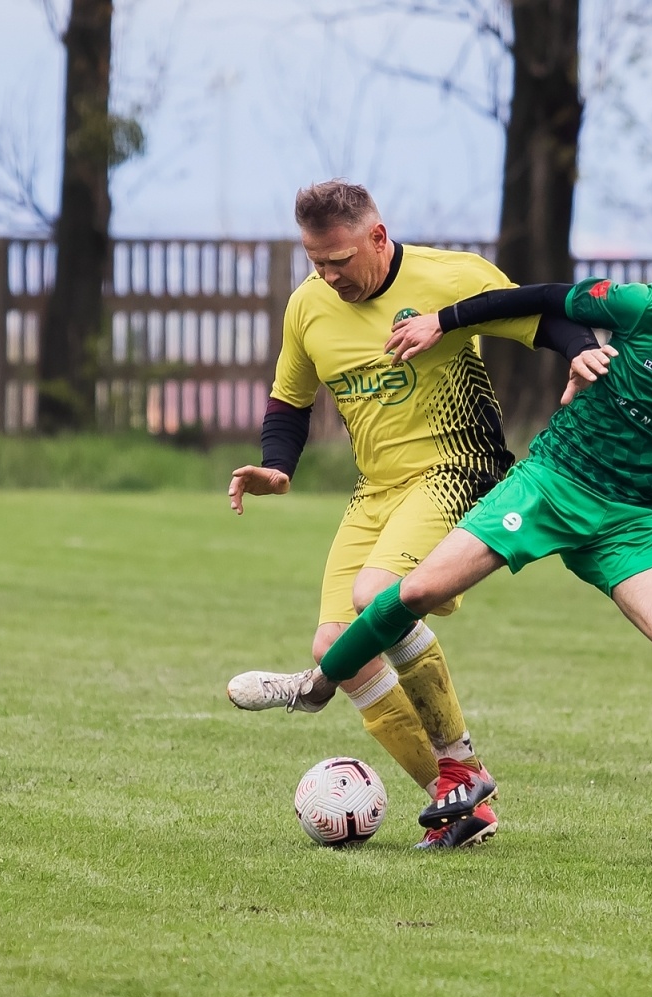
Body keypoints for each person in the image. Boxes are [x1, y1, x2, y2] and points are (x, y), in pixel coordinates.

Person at [227, 240, 652, 862]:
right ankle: (316, 688)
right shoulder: (642, 308)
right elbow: (536, 299)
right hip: (546, 485)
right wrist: (444, 320)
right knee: (410, 596)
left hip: (627, 520)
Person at [225, 180, 605, 848]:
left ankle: (457, 761)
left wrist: (580, 349)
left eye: (339, 260)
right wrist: (276, 466)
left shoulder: (450, 276)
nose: (328, 275)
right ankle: (461, 802)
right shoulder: (307, 307)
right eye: (316, 262)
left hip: (460, 468)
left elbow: (541, 319)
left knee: (378, 597)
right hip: (377, 491)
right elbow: (290, 400)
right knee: (337, 650)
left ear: (377, 236)